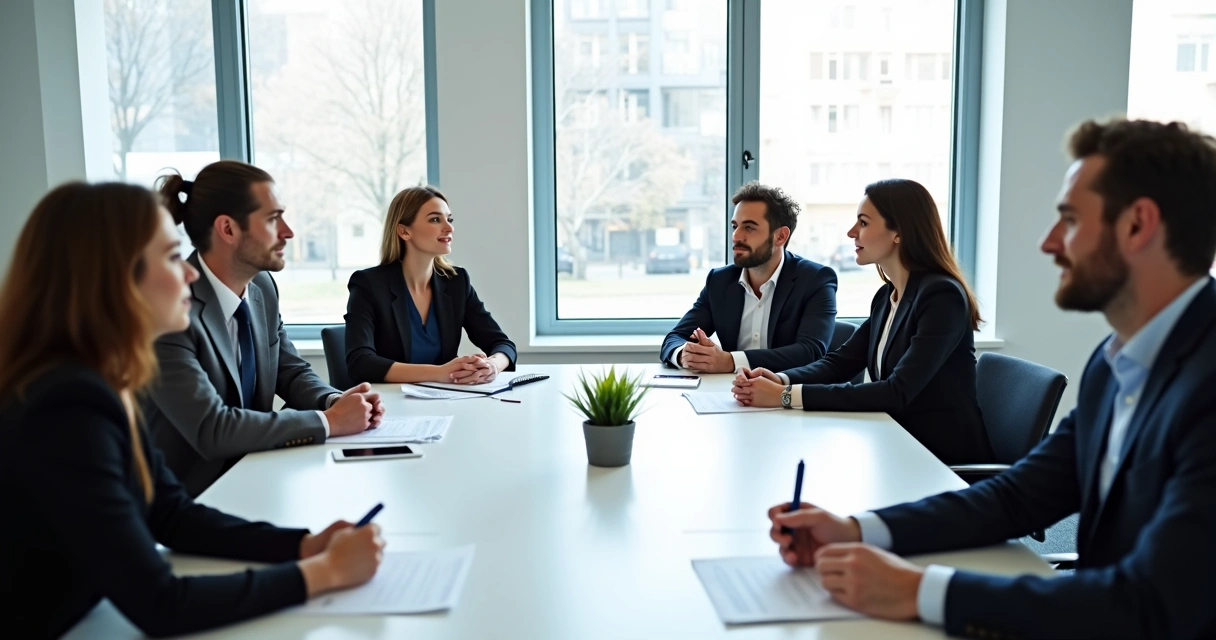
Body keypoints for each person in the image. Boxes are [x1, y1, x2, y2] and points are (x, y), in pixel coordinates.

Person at [765, 119, 1216, 638]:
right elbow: (1015, 497)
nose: (1049, 243)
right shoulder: (1113, 364)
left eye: (1068, 219)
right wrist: (855, 530)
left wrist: (921, 591)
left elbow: (1154, 603)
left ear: (1138, 225)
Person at [0, 183, 385, 638]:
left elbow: (171, 514)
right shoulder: (64, 405)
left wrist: (304, 545)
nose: (188, 275)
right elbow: (161, 604)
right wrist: (326, 573)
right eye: (169, 257)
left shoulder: (99, 382)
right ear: (114, 276)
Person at [145, 160, 384, 496]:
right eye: (273, 219)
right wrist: (330, 422)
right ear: (227, 229)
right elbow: (213, 429)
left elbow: (291, 372)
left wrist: (334, 401)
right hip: (191, 502)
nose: (288, 231)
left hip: (259, 477)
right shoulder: (168, 309)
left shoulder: (261, 288)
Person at [732, 179, 993, 465]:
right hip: (894, 445)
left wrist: (784, 396)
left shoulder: (942, 296)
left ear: (899, 232)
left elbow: (896, 392)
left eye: (864, 223)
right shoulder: (887, 296)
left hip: (939, 460)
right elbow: (839, 363)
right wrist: (779, 378)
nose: (852, 232)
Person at [345, 186, 517, 384]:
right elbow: (360, 363)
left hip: (444, 400)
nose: (449, 228)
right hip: (390, 405)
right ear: (404, 231)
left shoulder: (457, 282)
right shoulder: (368, 285)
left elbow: (502, 344)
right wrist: (440, 373)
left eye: (449, 219)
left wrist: (492, 366)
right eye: (435, 219)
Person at [659, 182, 838, 373]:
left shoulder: (815, 279)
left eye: (749, 228)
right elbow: (675, 338)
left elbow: (811, 351)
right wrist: (685, 354)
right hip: (731, 395)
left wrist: (730, 361)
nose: (736, 236)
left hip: (787, 395)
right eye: (735, 226)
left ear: (780, 237)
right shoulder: (720, 281)